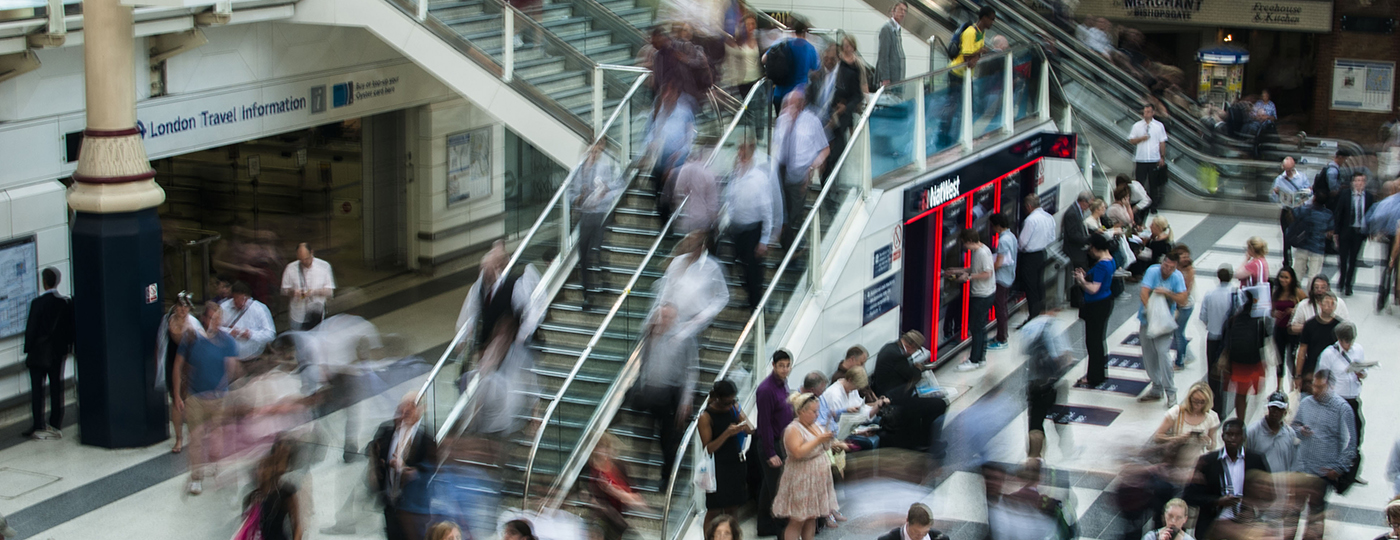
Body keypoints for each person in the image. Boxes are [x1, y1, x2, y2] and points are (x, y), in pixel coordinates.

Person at [175, 302, 240, 495]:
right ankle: (196, 477)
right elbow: (178, 366)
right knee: (195, 439)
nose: (215, 322)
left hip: (219, 398)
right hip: (195, 397)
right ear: (204, 318)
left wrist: (223, 389)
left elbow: (231, 369)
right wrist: (177, 394)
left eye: (218, 318)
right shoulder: (191, 338)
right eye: (212, 318)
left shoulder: (227, 341)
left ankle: (216, 465)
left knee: (217, 439)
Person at [1292, 369, 1358, 540]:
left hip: (1322, 472)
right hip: (1302, 467)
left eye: (1320, 387)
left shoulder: (1342, 409)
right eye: (1314, 386)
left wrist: (1339, 467)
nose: (1315, 390)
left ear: (1330, 386)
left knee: (1315, 513)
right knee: (1293, 510)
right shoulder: (1306, 403)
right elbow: (1294, 426)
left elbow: (1351, 442)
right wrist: (1300, 430)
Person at [772, 392, 847, 540]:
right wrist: (819, 439)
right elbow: (797, 452)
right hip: (801, 477)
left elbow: (823, 446)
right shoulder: (793, 429)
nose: (817, 414)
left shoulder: (816, 425)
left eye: (817, 411)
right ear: (801, 411)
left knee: (811, 517)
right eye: (814, 411)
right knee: (797, 519)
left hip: (817, 477)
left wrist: (834, 442)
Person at [1182, 418, 1271, 540]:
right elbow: (1189, 495)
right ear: (1222, 436)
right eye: (1229, 434)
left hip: (1245, 526)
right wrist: (1217, 501)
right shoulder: (1208, 461)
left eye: (1237, 435)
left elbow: (1269, 493)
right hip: (1213, 526)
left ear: (1244, 437)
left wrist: (1253, 509)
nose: (1233, 438)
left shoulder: (1255, 460)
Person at [455, 240, 542, 362]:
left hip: (510, 345)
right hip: (488, 342)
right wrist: (462, 338)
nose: (484, 273)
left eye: (488, 269)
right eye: (483, 268)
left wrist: (521, 337)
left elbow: (531, 311)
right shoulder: (479, 286)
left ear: (497, 268)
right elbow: (471, 312)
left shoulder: (515, 284)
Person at [369, 397, 437, 540]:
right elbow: (374, 452)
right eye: (402, 407)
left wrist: (409, 471)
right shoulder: (386, 432)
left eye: (410, 407)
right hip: (391, 505)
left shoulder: (425, 439)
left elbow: (430, 470)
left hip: (413, 509)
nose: (405, 411)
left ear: (419, 411)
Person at [725, 136, 779, 311]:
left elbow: (767, 210)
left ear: (751, 151)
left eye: (744, 149)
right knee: (741, 267)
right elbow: (730, 199)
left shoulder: (759, 177)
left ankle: (756, 305)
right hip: (737, 229)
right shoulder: (736, 174)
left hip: (753, 230)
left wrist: (764, 240)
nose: (740, 153)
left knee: (753, 271)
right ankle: (750, 299)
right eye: (739, 149)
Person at [871, 330, 946, 452]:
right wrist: (918, 369)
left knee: (926, 403)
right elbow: (912, 375)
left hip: (894, 395)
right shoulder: (897, 357)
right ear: (911, 346)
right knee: (939, 404)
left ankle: (925, 440)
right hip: (894, 399)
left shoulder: (890, 348)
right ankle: (926, 442)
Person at [21, 267, 74, 440]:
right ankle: (55, 422)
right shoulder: (64, 303)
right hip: (57, 353)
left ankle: (38, 424)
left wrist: (28, 349)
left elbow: (31, 330)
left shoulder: (37, 303)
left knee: (37, 389)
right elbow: (69, 329)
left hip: (39, 353)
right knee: (56, 387)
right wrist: (67, 348)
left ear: (44, 282)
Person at [772, 90, 829, 248]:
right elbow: (776, 145)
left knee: (794, 214)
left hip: (801, 173)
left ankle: (792, 248)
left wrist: (812, 168)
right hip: (781, 171)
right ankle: (789, 246)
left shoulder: (812, 121)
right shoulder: (781, 120)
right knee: (782, 212)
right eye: (788, 104)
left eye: (794, 104)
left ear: (802, 104)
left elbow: (825, 149)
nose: (790, 107)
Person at [1316, 321, 1367, 488]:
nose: (1349, 344)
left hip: (1353, 399)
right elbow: (1321, 377)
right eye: (1346, 341)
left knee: (1356, 434)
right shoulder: (1329, 354)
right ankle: (1331, 472)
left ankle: (1351, 472)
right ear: (1339, 339)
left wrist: (1361, 373)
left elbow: (1364, 372)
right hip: (1337, 401)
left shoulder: (1358, 350)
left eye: (1351, 341)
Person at [572, 140, 621, 307]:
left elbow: (612, 190)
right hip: (585, 216)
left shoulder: (603, 168)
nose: (592, 156)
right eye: (590, 153)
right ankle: (587, 294)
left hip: (599, 215)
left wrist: (601, 197)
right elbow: (571, 193)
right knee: (584, 255)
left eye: (595, 153)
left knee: (598, 250)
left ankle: (605, 282)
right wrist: (578, 199)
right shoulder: (578, 171)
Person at [1139, 250, 1189, 405]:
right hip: (1147, 321)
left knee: (1163, 354)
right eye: (1165, 266)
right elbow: (1144, 292)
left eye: (1171, 268)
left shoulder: (1177, 277)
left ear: (1175, 267)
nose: (1167, 270)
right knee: (1149, 355)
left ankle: (1170, 390)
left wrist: (1167, 293)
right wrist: (1151, 312)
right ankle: (1156, 386)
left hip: (1165, 324)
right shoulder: (1153, 271)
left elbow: (1183, 299)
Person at [941, 6, 996, 148]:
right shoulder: (970, 33)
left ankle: (958, 134)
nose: (992, 22)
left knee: (966, 105)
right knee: (953, 104)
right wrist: (980, 51)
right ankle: (945, 134)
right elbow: (966, 55)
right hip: (957, 73)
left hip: (967, 74)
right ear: (984, 18)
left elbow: (974, 55)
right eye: (991, 19)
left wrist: (977, 55)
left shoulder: (981, 33)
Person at [1021, 309, 1072, 460]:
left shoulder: (1028, 327)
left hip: (1034, 382)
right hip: (1052, 382)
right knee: (1059, 416)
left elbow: (1023, 351)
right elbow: (1064, 356)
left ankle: (1035, 454)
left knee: (1035, 420)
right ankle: (1066, 449)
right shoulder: (1054, 326)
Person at [754, 350, 795, 536]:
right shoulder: (766, 390)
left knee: (768, 485)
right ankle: (782, 532)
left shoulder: (783, 384)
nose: (785, 370)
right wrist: (770, 452)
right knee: (779, 490)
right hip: (771, 443)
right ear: (773, 366)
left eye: (787, 366)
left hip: (782, 441)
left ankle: (764, 526)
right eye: (781, 366)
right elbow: (765, 423)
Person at [700, 380, 751, 526]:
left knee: (733, 508)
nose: (730, 405)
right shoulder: (706, 417)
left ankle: (732, 535)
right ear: (718, 398)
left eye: (733, 401)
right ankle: (710, 535)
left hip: (734, 462)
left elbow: (750, 429)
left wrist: (741, 418)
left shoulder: (734, 408)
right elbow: (708, 448)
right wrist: (727, 434)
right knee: (714, 509)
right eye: (727, 402)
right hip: (717, 466)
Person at [157, 293, 202, 453]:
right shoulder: (167, 320)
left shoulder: (193, 324)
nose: (183, 310)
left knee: (191, 400)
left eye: (186, 306)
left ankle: (195, 435)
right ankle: (178, 439)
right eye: (180, 306)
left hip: (190, 363)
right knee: (176, 399)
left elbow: (201, 347)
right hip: (172, 361)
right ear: (175, 306)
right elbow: (161, 343)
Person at [586, 434, 649, 540]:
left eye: (603, 446)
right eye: (597, 446)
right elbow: (591, 500)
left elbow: (636, 496)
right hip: (605, 520)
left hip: (619, 520)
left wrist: (614, 491)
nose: (601, 450)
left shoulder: (619, 466)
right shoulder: (590, 471)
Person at [1074, 235, 1117, 388]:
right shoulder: (1111, 260)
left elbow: (1093, 289)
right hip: (1105, 301)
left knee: (1093, 342)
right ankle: (1098, 373)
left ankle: (1094, 376)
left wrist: (1081, 281)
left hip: (1096, 305)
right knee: (1098, 340)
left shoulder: (1101, 266)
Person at [239, 440, 304, 540]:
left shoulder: (285, 493)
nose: (262, 471)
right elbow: (245, 529)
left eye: (266, 466)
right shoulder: (251, 497)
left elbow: (297, 526)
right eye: (259, 467)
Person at [1220, 289, 1268, 421]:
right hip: (1254, 362)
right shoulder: (1259, 320)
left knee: (1241, 394)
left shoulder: (1233, 319)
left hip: (1238, 364)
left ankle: (1241, 421)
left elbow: (1226, 341)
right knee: (1256, 393)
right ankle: (1251, 420)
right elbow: (1263, 342)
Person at [1198, 265, 1239, 418]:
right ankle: (1226, 405)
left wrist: (1212, 324)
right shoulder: (1236, 294)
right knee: (1227, 372)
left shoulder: (1210, 294)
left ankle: (1215, 407)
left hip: (1213, 337)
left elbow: (1203, 316)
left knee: (1213, 374)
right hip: (1231, 339)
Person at [953, 229, 996, 371]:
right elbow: (976, 268)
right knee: (980, 327)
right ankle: (980, 358)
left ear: (970, 241)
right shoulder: (982, 251)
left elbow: (987, 273)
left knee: (976, 328)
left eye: (964, 243)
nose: (964, 246)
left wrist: (969, 277)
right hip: (986, 293)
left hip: (982, 295)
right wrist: (958, 270)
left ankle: (974, 360)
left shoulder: (982, 253)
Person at [1246, 393, 1298, 500]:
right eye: (1273, 408)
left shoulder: (1290, 434)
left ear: (1285, 412)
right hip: (1258, 490)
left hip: (1281, 491)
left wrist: (1292, 492)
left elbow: (1293, 463)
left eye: (1279, 409)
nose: (1275, 412)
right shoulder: (1252, 431)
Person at [1153, 381, 1220, 457]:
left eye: (1202, 402)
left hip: (1198, 459)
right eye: (1195, 401)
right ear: (1189, 398)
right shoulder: (1176, 412)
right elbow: (1157, 437)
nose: (1198, 405)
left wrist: (1207, 441)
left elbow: (1213, 445)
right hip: (1176, 457)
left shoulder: (1212, 417)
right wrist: (1178, 439)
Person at [1017, 193, 1056, 322]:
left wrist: (1020, 249)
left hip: (1030, 257)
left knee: (1031, 287)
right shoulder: (1048, 217)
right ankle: (1041, 310)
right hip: (1042, 254)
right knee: (1039, 284)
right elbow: (1052, 238)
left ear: (1029, 206)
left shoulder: (1030, 220)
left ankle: (1033, 315)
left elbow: (1022, 242)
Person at [1334, 172, 1375, 296]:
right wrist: (1336, 231)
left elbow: (1371, 215)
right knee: (1343, 258)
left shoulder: (1369, 197)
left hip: (1359, 232)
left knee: (1353, 259)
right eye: (1357, 181)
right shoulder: (1345, 195)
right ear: (1352, 182)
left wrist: (1370, 231)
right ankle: (1342, 280)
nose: (1359, 183)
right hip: (1345, 231)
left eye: (1361, 181)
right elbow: (1338, 213)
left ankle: (1349, 284)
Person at [768, 18, 818, 114]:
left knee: (782, 120)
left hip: (779, 93)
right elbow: (815, 71)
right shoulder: (810, 49)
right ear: (805, 32)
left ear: (793, 30)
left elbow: (764, 59)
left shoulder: (783, 44)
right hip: (797, 98)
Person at [1294, 293, 1340, 395]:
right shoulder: (1310, 325)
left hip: (1332, 372)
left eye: (1332, 303)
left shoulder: (1339, 326)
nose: (1329, 306)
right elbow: (1302, 351)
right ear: (1320, 304)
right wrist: (1298, 375)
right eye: (1326, 303)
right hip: (1311, 369)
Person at [281, 243, 335, 331]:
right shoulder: (290, 268)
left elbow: (330, 292)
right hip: (297, 316)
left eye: (306, 258)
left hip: (316, 314)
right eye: (301, 259)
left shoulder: (324, 266)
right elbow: (284, 290)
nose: (304, 262)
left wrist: (314, 292)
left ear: (311, 253)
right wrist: (294, 292)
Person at [1127, 104, 1168, 215]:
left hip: (1153, 159)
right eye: (1145, 112)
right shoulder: (1137, 126)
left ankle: (1153, 206)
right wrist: (1141, 138)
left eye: (1148, 112)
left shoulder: (1158, 126)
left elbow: (1162, 142)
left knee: (1153, 184)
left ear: (1153, 113)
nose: (1146, 114)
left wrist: (1162, 156)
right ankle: (1139, 205)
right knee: (1139, 184)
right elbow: (1131, 140)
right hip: (1141, 159)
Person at [1271, 157, 1311, 268]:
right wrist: (1276, 193)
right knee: (1286, 237)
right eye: (1286, 170)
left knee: (1302, 237)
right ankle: (1287, 262)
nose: (1288, 172)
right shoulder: (1280, 179)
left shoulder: (1302, 177)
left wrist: (1305, 194)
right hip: (1287, 211)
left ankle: (1303, 261)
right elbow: (1274, 198)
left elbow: (1309, 193)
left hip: (1299, 210)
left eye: (1290, 170)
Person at [220, 281, 276, 361]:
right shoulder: (224, 307)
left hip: (253, 357)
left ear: (248, 297)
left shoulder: (259, 308)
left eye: (243, 299)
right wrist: (229, 332)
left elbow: (270, 334)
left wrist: (250, 334)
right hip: (228, 357)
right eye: (236, 299)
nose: (240, 302)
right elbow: (214, 328)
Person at [669, 150, 721, 236]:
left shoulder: (684, 170)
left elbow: (677, 192)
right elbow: (712, 203)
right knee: (699, 240)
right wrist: (715, 224)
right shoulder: (708, 174)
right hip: (703, 218)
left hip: (687, 217)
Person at [1270, 267, 1305, 389]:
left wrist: (1295, 310)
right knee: (1279, 358)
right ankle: (1279, 387)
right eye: (1281, 277)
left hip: (1293, 330)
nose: (1283, 280)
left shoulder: (1297, 292)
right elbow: (1271, 310)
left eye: (1286, 277)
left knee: (1293, 358)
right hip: (1279, 329)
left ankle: (1293, 385)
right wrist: (1274, 313)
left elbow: (1306, 305)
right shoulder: (1276, 293)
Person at [1287, 194, 1334, 283]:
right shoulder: (1328, 214)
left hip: (1302, 245)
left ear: (1314, 198)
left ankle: (1295, 290)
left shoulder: (1304, 210)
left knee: (1297, 273)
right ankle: (1311, 291)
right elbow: (1330, 232)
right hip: (1318, 247)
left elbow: (1292, 214)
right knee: (1314, 275)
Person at [990, 213, 1018, 349]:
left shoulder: (1003, 241)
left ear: (998, 226)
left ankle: (1002, 339)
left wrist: (988, 270)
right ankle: (1001, 336)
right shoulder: (1011, 236)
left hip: (1001, 278)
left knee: (1000, 309)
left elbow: (999, 262)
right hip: (1009, 276)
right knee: (1002, 307)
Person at [1169, 246, 1196, 369]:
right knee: (1177, 332)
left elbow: (1187, 289)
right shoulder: (1174, 268)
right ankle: (1188, 355)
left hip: (1185, 305)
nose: (1186, 259)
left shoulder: (1189, 270)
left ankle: (1180, 361)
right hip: (1176, 303)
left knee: (1179, 333)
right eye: (1183, 256)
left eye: (1187, 256)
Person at [876, 1, 907, 87]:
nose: (903, 13)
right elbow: (883, 55)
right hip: (890, 79)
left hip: (897, 77)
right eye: (900, 9)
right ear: (893, 11)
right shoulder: (887, 29)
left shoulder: (897, 29)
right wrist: (885, 77)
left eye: (905, 11)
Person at [876, 503, 947, 540]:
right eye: (916, 532)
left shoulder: (940, 538)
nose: (920, 536)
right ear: (907, 521)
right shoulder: (889, 539)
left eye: (925, 533)